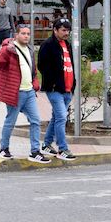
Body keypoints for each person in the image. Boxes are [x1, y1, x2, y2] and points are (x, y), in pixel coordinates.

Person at [0, 25, 51, 163]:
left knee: (35, 120)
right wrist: (6, 51)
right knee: (10, 121)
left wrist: (35, 84)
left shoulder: (30, 49)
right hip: (15, 92)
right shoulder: (8, 48)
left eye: (28, 34)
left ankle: (35, 151)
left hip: (29, 92)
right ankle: (4, 149)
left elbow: (33, 70)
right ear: (16, 35)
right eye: (23, 33)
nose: (26, 36)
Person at [37, 18, 78, 161]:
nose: (67, 33)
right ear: (55, 30)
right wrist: (53, 82)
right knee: (61, 117)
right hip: (54, 89)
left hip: (68, 88)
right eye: (63, 30)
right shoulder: (48, 45)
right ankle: (62, 148)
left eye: (68, 30)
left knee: (56, 117)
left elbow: (70, 64)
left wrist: (73, 84)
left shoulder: (67, 44)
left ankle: (46, 144)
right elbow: (41, 66)